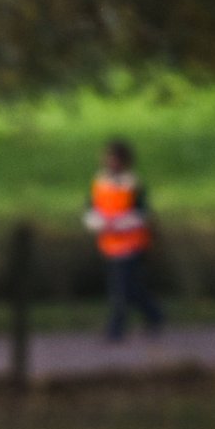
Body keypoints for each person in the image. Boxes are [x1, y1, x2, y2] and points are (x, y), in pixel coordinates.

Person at [84, 139, 164, 341]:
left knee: (120, 289)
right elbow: (91, 209)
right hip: (110, 244)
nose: (109, 162)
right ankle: (154, 315)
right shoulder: (100, 182)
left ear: (124, 161)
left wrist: (118, 224)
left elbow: (141, 214)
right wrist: (98, 223)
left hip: (132, 244)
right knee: (131, 288)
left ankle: (115, 329)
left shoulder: (133, 184)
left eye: (113, 159)